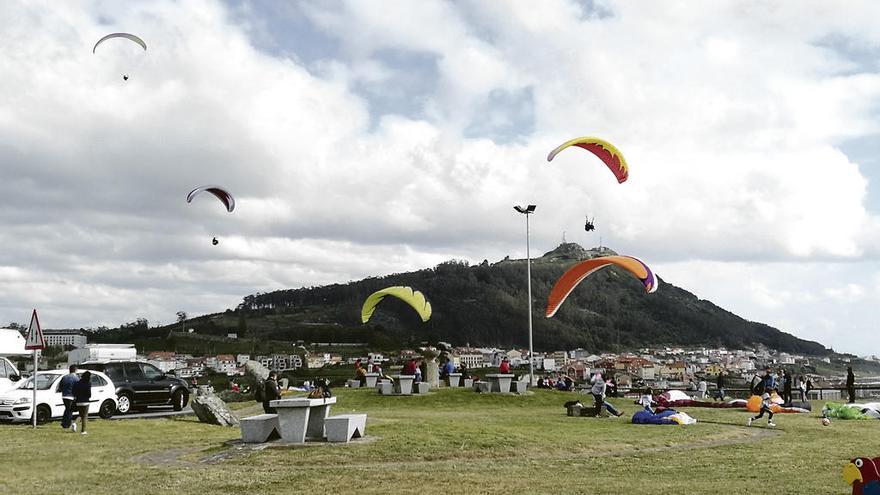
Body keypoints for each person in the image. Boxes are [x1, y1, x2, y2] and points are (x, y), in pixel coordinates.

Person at [60, 365, 79, 432]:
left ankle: (65, 423)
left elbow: (60, 386)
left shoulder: (64, 377)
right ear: (75, 370)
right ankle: (67, 424)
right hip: (71, 396)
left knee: (67, 409)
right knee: (69, 410)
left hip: (64, 396)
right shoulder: (76, 378)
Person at [73, 371, 92, 435]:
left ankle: (75, 423)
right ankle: (83, 431)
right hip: (86, 401)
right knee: (84, 417)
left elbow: (74, 392)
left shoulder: (77, 383)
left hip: (78, 401)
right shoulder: (88, 383)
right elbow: (89, 394)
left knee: (81, 415)